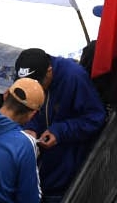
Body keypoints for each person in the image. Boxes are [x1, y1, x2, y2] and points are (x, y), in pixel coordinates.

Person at [13, 47, 104, 203]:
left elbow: (96, 118)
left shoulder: (74, 77)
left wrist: (60, 131)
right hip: (33, 166)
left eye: (38, 84)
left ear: (49, 71)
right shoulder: (29, 79)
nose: (34, 89)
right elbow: (27, 108)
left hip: (63, 167)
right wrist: (31, 128)